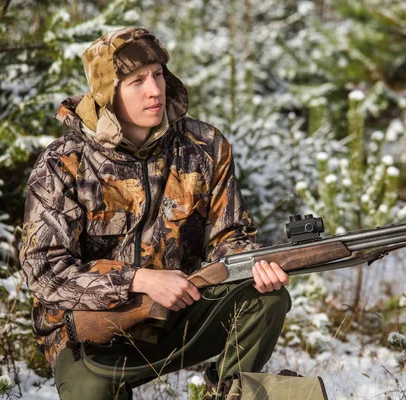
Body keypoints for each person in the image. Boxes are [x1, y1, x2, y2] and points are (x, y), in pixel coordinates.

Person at [19, 27, 291, 400]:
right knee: (90, 392)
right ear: (107, 93)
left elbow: (231, 237)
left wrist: (251, 267)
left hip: (182, 315)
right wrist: (138, 280)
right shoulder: (63, 163)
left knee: (267, 299)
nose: (155, 90)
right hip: (93, 334)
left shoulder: (204, 146)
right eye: (136, 81)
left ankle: (228, 391)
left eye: (158, 75)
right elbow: (44, 270)